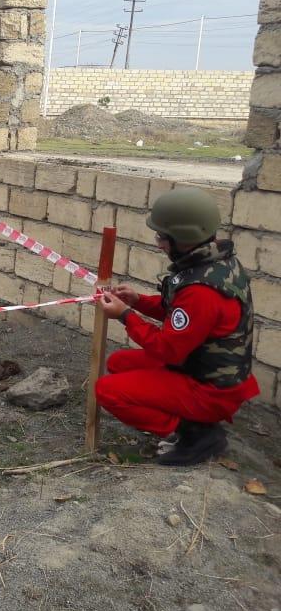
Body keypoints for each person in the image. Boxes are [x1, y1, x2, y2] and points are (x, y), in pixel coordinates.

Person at [96, 187, 259, 466]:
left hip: (210, 390)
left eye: (162, 236)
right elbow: (179, 313)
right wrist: (137, 301)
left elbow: (168, 349)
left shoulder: (202, 290)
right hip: (200, 369)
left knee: (106, 391)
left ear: (182, 237)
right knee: (119, 361)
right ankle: (194, 423)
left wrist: (125, 316)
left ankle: (196, 434)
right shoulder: (216, 263)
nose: (159, 243)